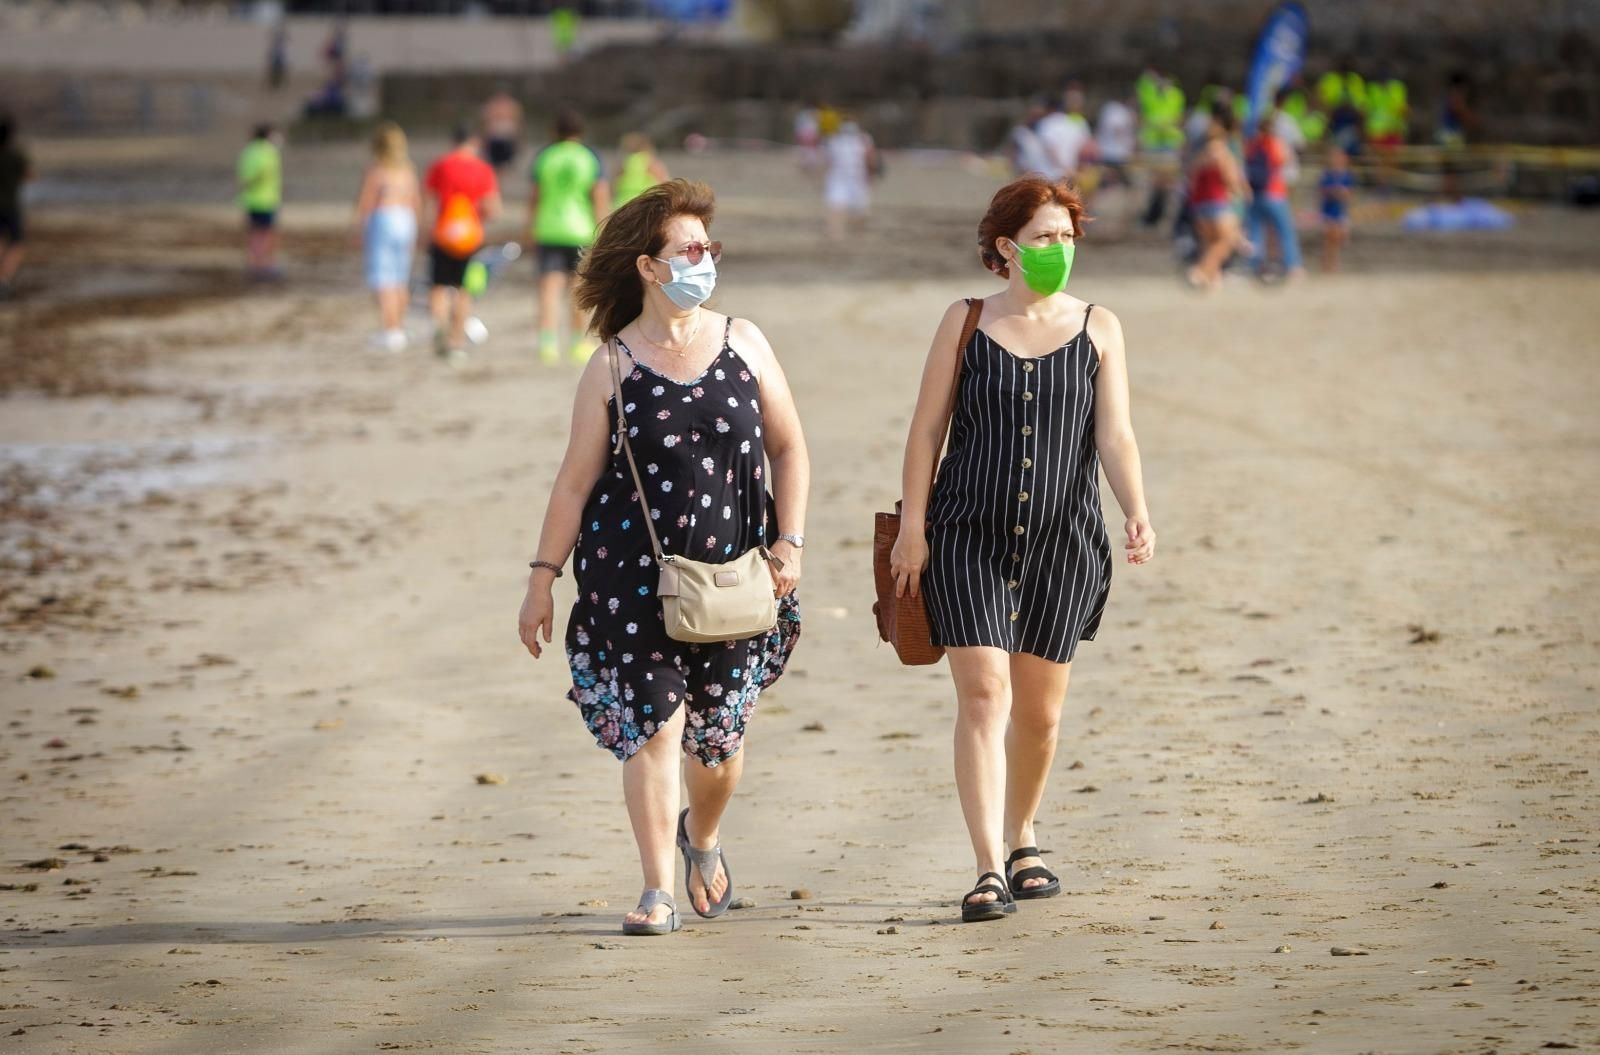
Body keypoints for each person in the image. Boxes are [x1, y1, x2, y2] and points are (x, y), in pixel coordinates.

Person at [516, 179, 808, 937]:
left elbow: (789, 445)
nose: (703, 260)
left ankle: (701, 837)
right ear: (649, 266)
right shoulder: (610, 367)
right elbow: (574, 482)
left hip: (740, 576)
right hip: (631, 581)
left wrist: (791, 541)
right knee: (656, 731)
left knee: (720, 743)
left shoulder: (745, 341)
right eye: (689, 249)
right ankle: (655, 890)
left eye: (708, 249)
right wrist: (541, 580)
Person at [890, 175, 1155, 923]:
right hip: (965, 532)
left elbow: (1116, 434)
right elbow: (926, 430)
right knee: (984, 697)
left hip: (1063, 541)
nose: (1059, 250)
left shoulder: (1101, 325)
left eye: (1068, 237)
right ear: (1006, 247)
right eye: (1044, 237)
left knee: (1039, 715)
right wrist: (914, 527)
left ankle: (1024, 837)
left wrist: (1136, 509)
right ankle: (985, 867)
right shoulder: (965, 320)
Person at [529, 108, 609, 365]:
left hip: (549, 228)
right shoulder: (589, 157)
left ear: (554, 131)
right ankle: (578, 342)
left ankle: (547, 343)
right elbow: (599, 197)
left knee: (549, 289)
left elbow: (535, 197)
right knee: (578, 289)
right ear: (580, 131)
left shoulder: (545, 156)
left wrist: (529, 228)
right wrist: (603, 231)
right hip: (580, 229)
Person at [423, 126, 501, 365]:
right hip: (470, 237)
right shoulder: (483, 169)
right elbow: (493, 209)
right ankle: (456, 342)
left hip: (443, 234)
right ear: (474, 142)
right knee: (464, 291)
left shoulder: (441, 165)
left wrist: (426, 231)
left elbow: (427, 201)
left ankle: (441, 328)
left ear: (453, 140)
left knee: (438, 287)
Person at [353, 121, 420, 352]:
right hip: (406, 220)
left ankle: (390, 330)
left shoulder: (377, 170)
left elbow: (366, 202)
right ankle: (399, 326)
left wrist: (358, 229)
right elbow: (415, 202)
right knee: (400, 278)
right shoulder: (407, 170)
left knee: (384, 279)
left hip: (384, 220)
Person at [1185, 108, 1250, 290]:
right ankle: (1200, 272)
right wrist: (1237, 191)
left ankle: (1212, 279)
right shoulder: (1222, 151)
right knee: (1225, 241)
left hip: (1199, 204)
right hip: (1218, 202)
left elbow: (1192, 177)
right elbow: (1229, 177)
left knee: (1210, 242)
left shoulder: (1200, 154)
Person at [1244, 106, 1305, 281]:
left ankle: (1254, 266)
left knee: (1255, 232)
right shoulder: (1275, 143)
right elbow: (1284, 162)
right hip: (1275, 193)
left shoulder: (1252, 144)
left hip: (1256, 194)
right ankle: (1293, 266)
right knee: (1285, 232)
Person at [237, 124, 283, 280]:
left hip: (250, 199)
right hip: (266, 200)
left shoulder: (248, 151)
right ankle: (266, 264)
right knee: (267, 233)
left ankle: (254, 263)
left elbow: (243, 176)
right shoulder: (268, 151)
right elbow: (262, 172)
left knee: (254, 233)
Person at [823, 118, 879, 240]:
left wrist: (871, 174)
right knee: (838, 207)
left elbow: (870, 158)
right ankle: (838, 234)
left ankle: (850, 233)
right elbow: (871, 158)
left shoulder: (862, 140)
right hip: (842, 178)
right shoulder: (836, 141)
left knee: (857, 208)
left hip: (855, 178)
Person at [1035, 84, 1095, 184]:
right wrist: (1071, 170)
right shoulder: (1061, 122)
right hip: (1061, 176)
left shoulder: (1079, 122)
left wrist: (1070, 169)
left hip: (1060, 176)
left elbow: (1085, 148)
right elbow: (1051, 149)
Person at [0, 115, 30, 298]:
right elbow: (30, 175)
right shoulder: (15, 154)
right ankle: (4, 279)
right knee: (17, 244)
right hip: (10, 206)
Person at [1319, 145, 1355, 272]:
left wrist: (1343, 193)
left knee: (1338, 239)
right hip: (1329, 210)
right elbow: (1323, 191)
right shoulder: (1328, 175)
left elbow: (1349, 194)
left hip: (1340, 211)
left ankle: (1333, 264)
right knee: (1330, 239)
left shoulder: (1347, 175)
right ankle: (1328, 265)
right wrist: (1334, 192)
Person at [614, 133, 670, 208]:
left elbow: (615, 182)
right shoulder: (650, 162)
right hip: (644, 201)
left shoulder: (625, 162)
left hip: (623, 202)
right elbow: (664, 183)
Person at [1094, 92, 1137, 187]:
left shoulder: (1108, 109)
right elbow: (1117, 128)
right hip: (1115, 150)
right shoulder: (1118, 111)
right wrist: (1127, 143)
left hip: (1108, 149)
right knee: (1114, 171)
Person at [481, 84, 524, 172]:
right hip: (496, 138)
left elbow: (519, 123)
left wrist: (519, 140)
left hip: (507, 137)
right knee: (495, 165)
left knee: (506, 165)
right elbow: (486, 123)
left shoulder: (512, 106)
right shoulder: (492, 106)